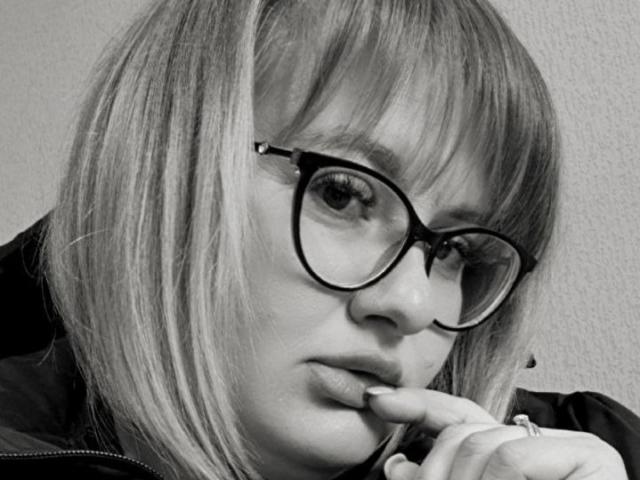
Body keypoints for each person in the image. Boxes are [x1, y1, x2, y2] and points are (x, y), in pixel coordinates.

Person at [0, 0, 638, 479]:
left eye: (456, 253)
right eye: (342, 194)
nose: (412, 305)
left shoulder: (596, 453)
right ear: (165, 178)